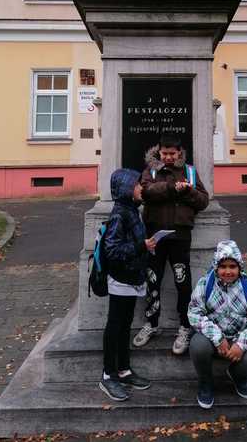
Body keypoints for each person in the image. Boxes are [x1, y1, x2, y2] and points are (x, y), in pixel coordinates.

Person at [132, 135, 209, 355]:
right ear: (159, 152)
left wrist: (188, 191)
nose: (168, 157)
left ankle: (185, 326)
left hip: (180, 235)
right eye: (164, 153)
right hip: (154, 235)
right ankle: (151, 323)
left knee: (182, 282)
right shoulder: (151, 171)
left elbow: (203, 201)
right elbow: (145, 192)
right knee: (152, 280)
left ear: (179, 153)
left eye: (172, 154)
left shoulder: (190, 172)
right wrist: (172, 188)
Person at [187, 240, 247, 409]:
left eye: (233, 266)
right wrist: (217, 338)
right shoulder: (205, 284)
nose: (228, 271)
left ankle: (237, 375)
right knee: (198, 345)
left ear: (240, 268)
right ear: (216, 267)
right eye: (223, 266)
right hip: (211, 340)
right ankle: (205, 382)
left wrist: (240, 344)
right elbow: (194, 313)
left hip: (236, 341)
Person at [100, 168, 156, 401]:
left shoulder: (132, 210)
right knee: (115, 325)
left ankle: (123, 370)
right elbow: (112, 250)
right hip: (121, 278)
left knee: (125, 325)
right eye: (136, 184)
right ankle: (108, 375)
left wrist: (146, 245)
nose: (141, 187)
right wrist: (142, 246)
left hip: (133, 277)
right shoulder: (119, 214)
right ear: (125, 189)